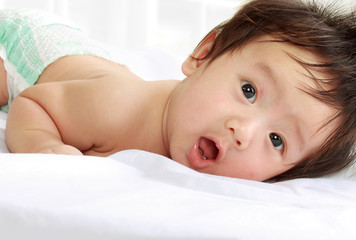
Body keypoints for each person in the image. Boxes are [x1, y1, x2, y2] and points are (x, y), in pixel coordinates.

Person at [2, 0, 356, 182]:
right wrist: (41, 145)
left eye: (277, 140)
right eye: (249, 90)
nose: (243, 132)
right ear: (203, 55)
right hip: (26, 49)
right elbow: (35, 103)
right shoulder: (115, 108)